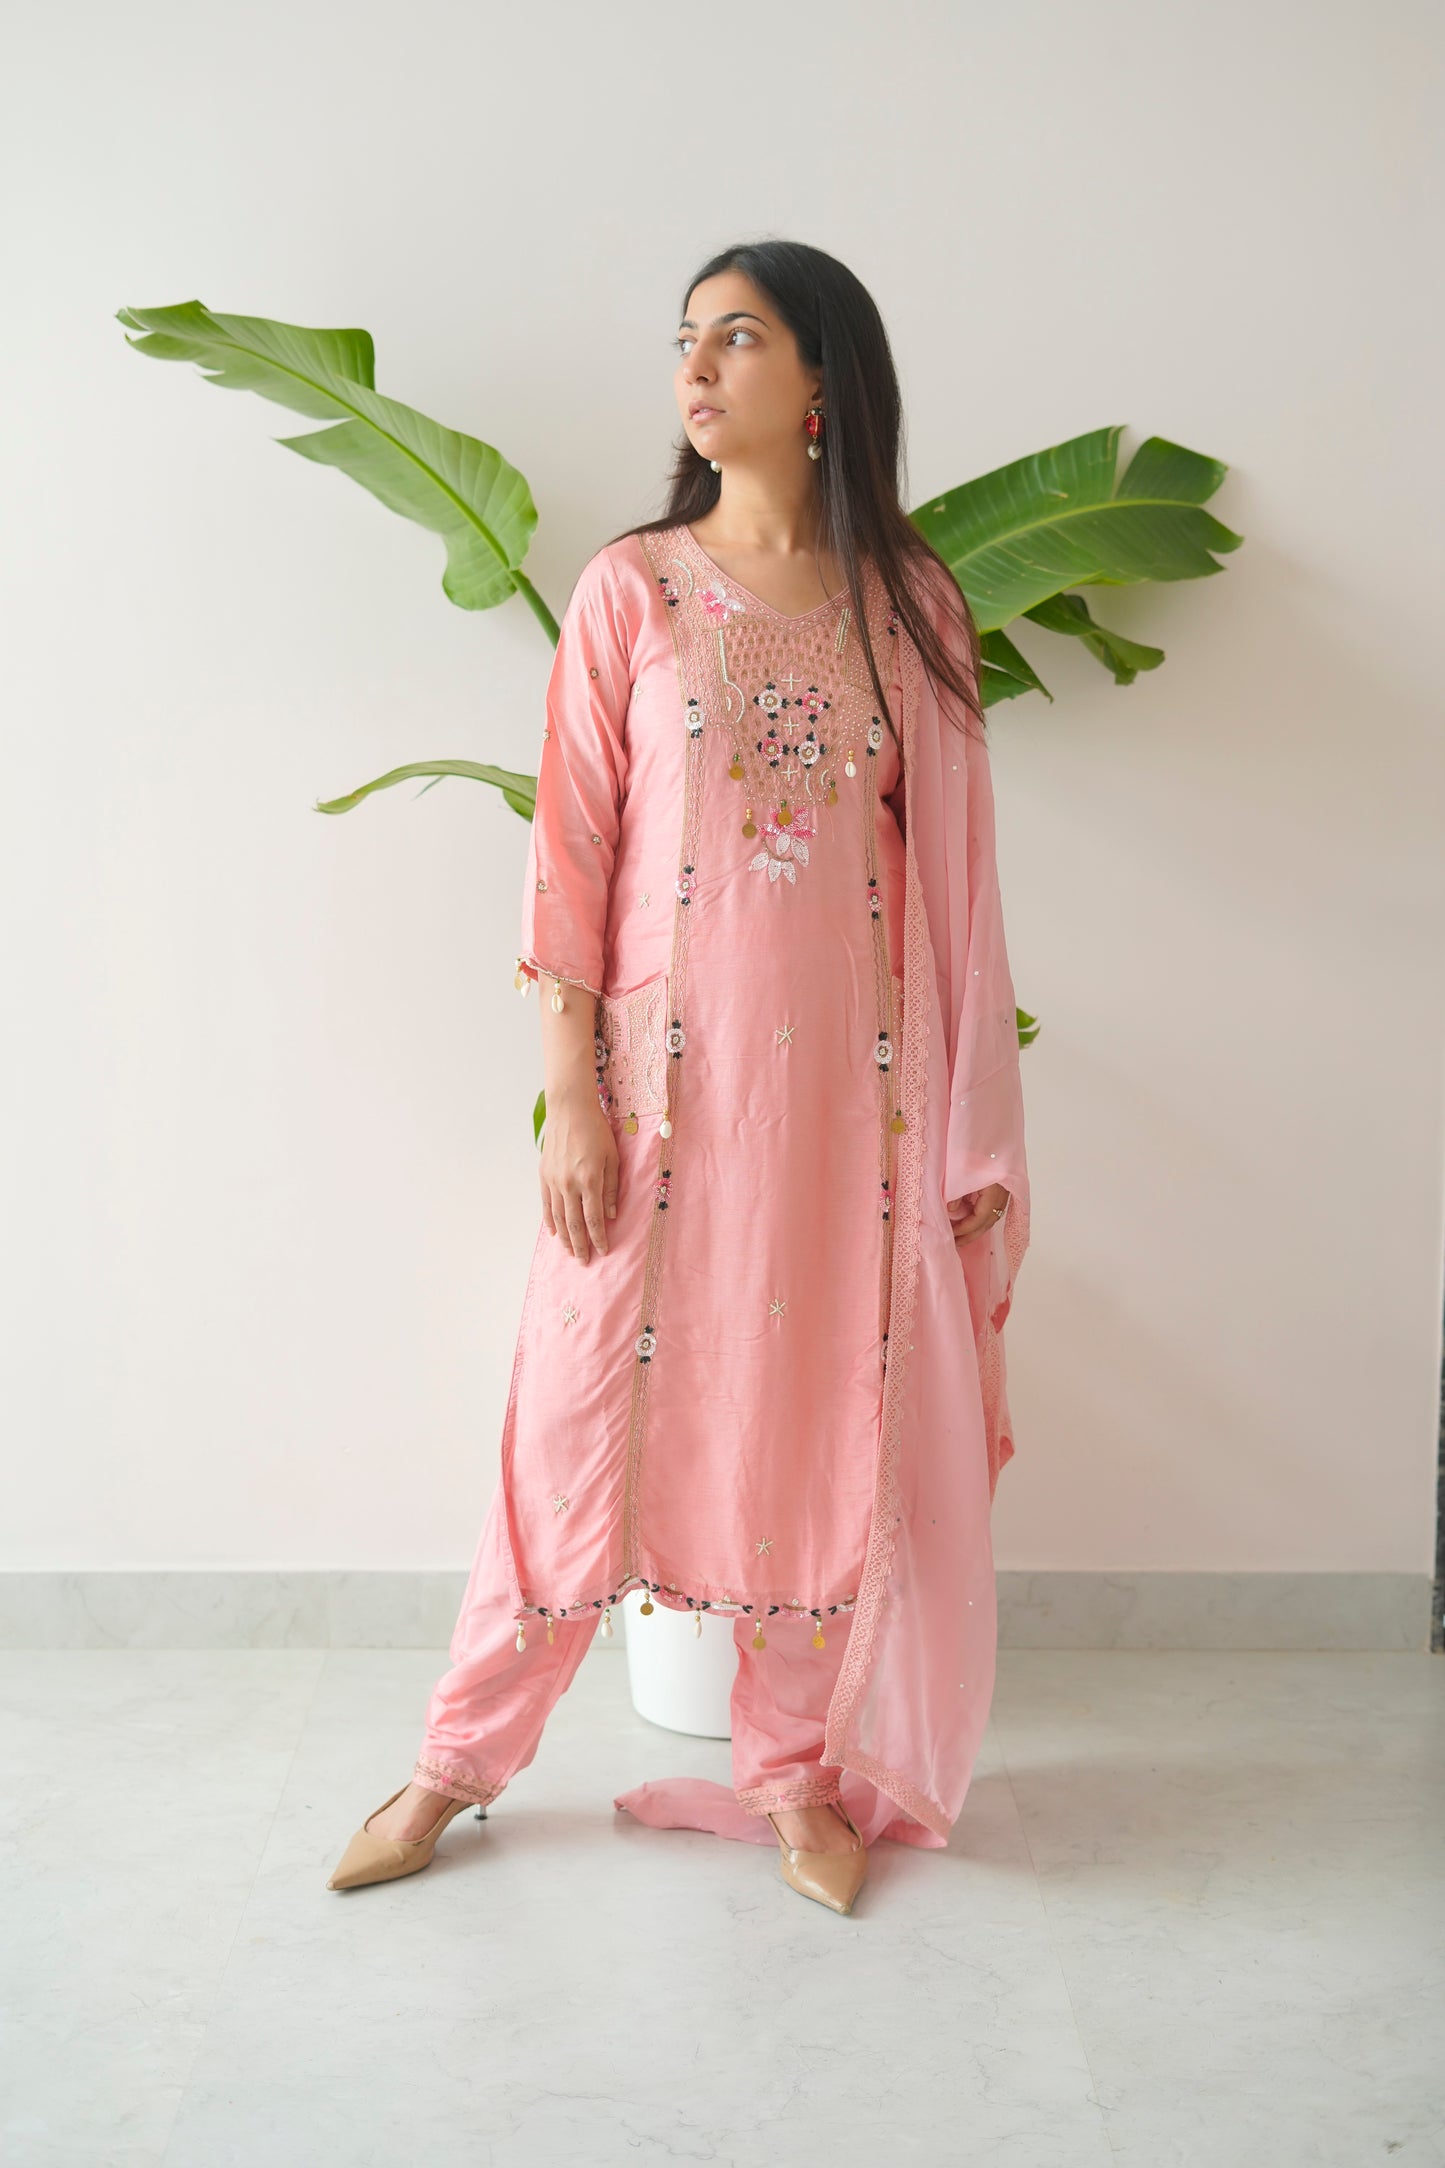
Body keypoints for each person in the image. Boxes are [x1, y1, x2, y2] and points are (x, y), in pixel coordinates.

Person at [327, 239, 1031, 1917]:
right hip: (659, 1098)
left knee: (816, 1431)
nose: (696, 370)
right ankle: (457, 1760)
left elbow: (955, 883)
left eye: (738, 339)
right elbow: (568, 856)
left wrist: (951, 1134)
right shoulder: (631, 592)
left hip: (841, 1125)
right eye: (686, 342)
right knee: (571, 1419)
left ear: (821, 384)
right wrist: (572, 1088)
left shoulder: (910, 606)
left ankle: (792, 1778)